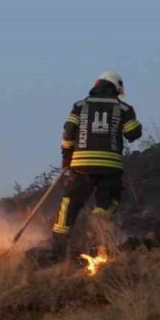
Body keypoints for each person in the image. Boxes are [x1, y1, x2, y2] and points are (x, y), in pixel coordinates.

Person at [51, 71, 143, 260]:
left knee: (70, 202)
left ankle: (58, 247)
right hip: (110, 166)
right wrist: (133, 124)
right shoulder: (123, 108)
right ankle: (99, 236)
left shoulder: (80, 105)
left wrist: (66, 159)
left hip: (81, 165)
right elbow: (133, 133)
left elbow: (68, 132)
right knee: (108, 201)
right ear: (117, 88)